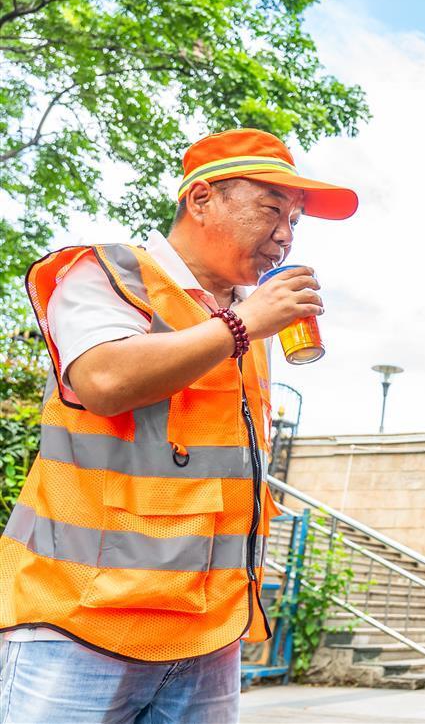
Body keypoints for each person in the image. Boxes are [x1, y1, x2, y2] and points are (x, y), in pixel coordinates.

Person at [0, 128, 358, 723]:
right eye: (272, 209)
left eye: (295, 221)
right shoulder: (112, 274)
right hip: (80, 623)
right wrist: (242, 324)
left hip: (207, 633)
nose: (285, 235)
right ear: (201, 200)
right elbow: (104, 380)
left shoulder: (246, 318)